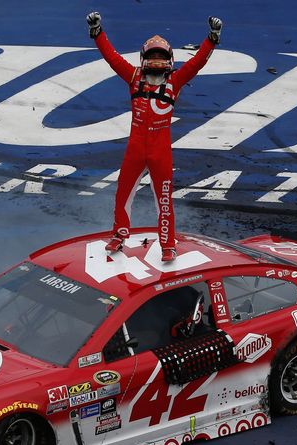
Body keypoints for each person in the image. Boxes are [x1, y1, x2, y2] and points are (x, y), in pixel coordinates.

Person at [86, 12, 222, 261]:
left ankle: (168, 245)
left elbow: (198, 62)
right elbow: (111, 57)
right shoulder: (133, 76)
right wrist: (98, 32)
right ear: (144, 59)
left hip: (161, 152)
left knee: (164, 200)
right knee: (123, 192)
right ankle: (119, 235)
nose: (157, 61)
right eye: (153, 56)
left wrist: (211, 40)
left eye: (161, 57)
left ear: (169, 60)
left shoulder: (177, 80)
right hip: (135, 149)